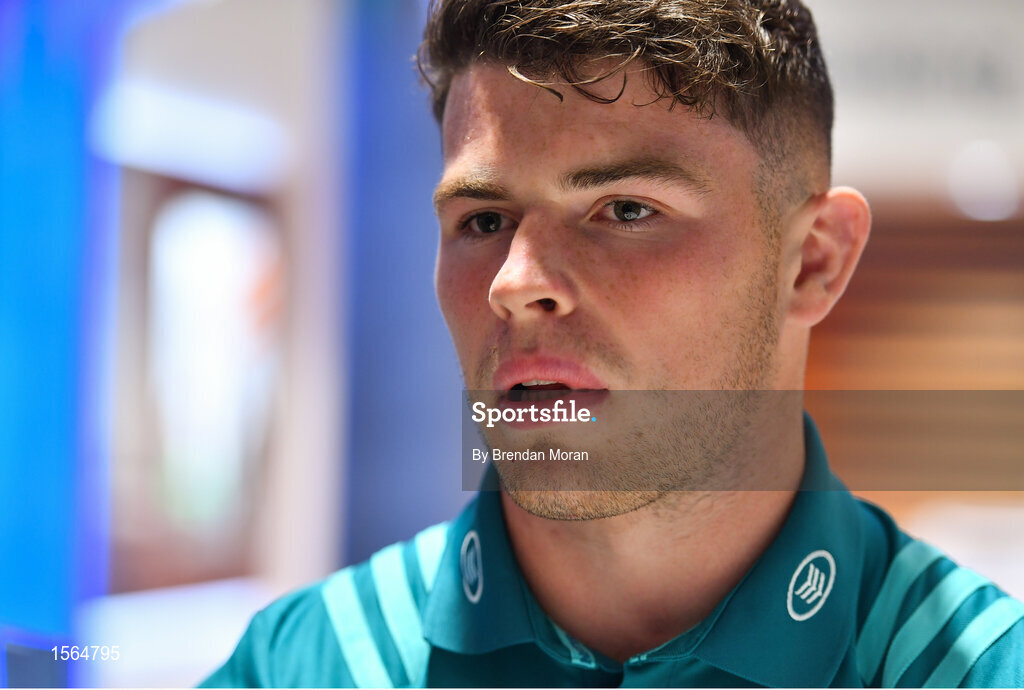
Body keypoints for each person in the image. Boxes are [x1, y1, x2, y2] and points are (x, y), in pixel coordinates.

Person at [201, 0, 1024, 686]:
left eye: (626, 210)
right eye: (482, 221)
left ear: (812, 261)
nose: (515, 281)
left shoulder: (975, 666)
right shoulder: (310, 663)